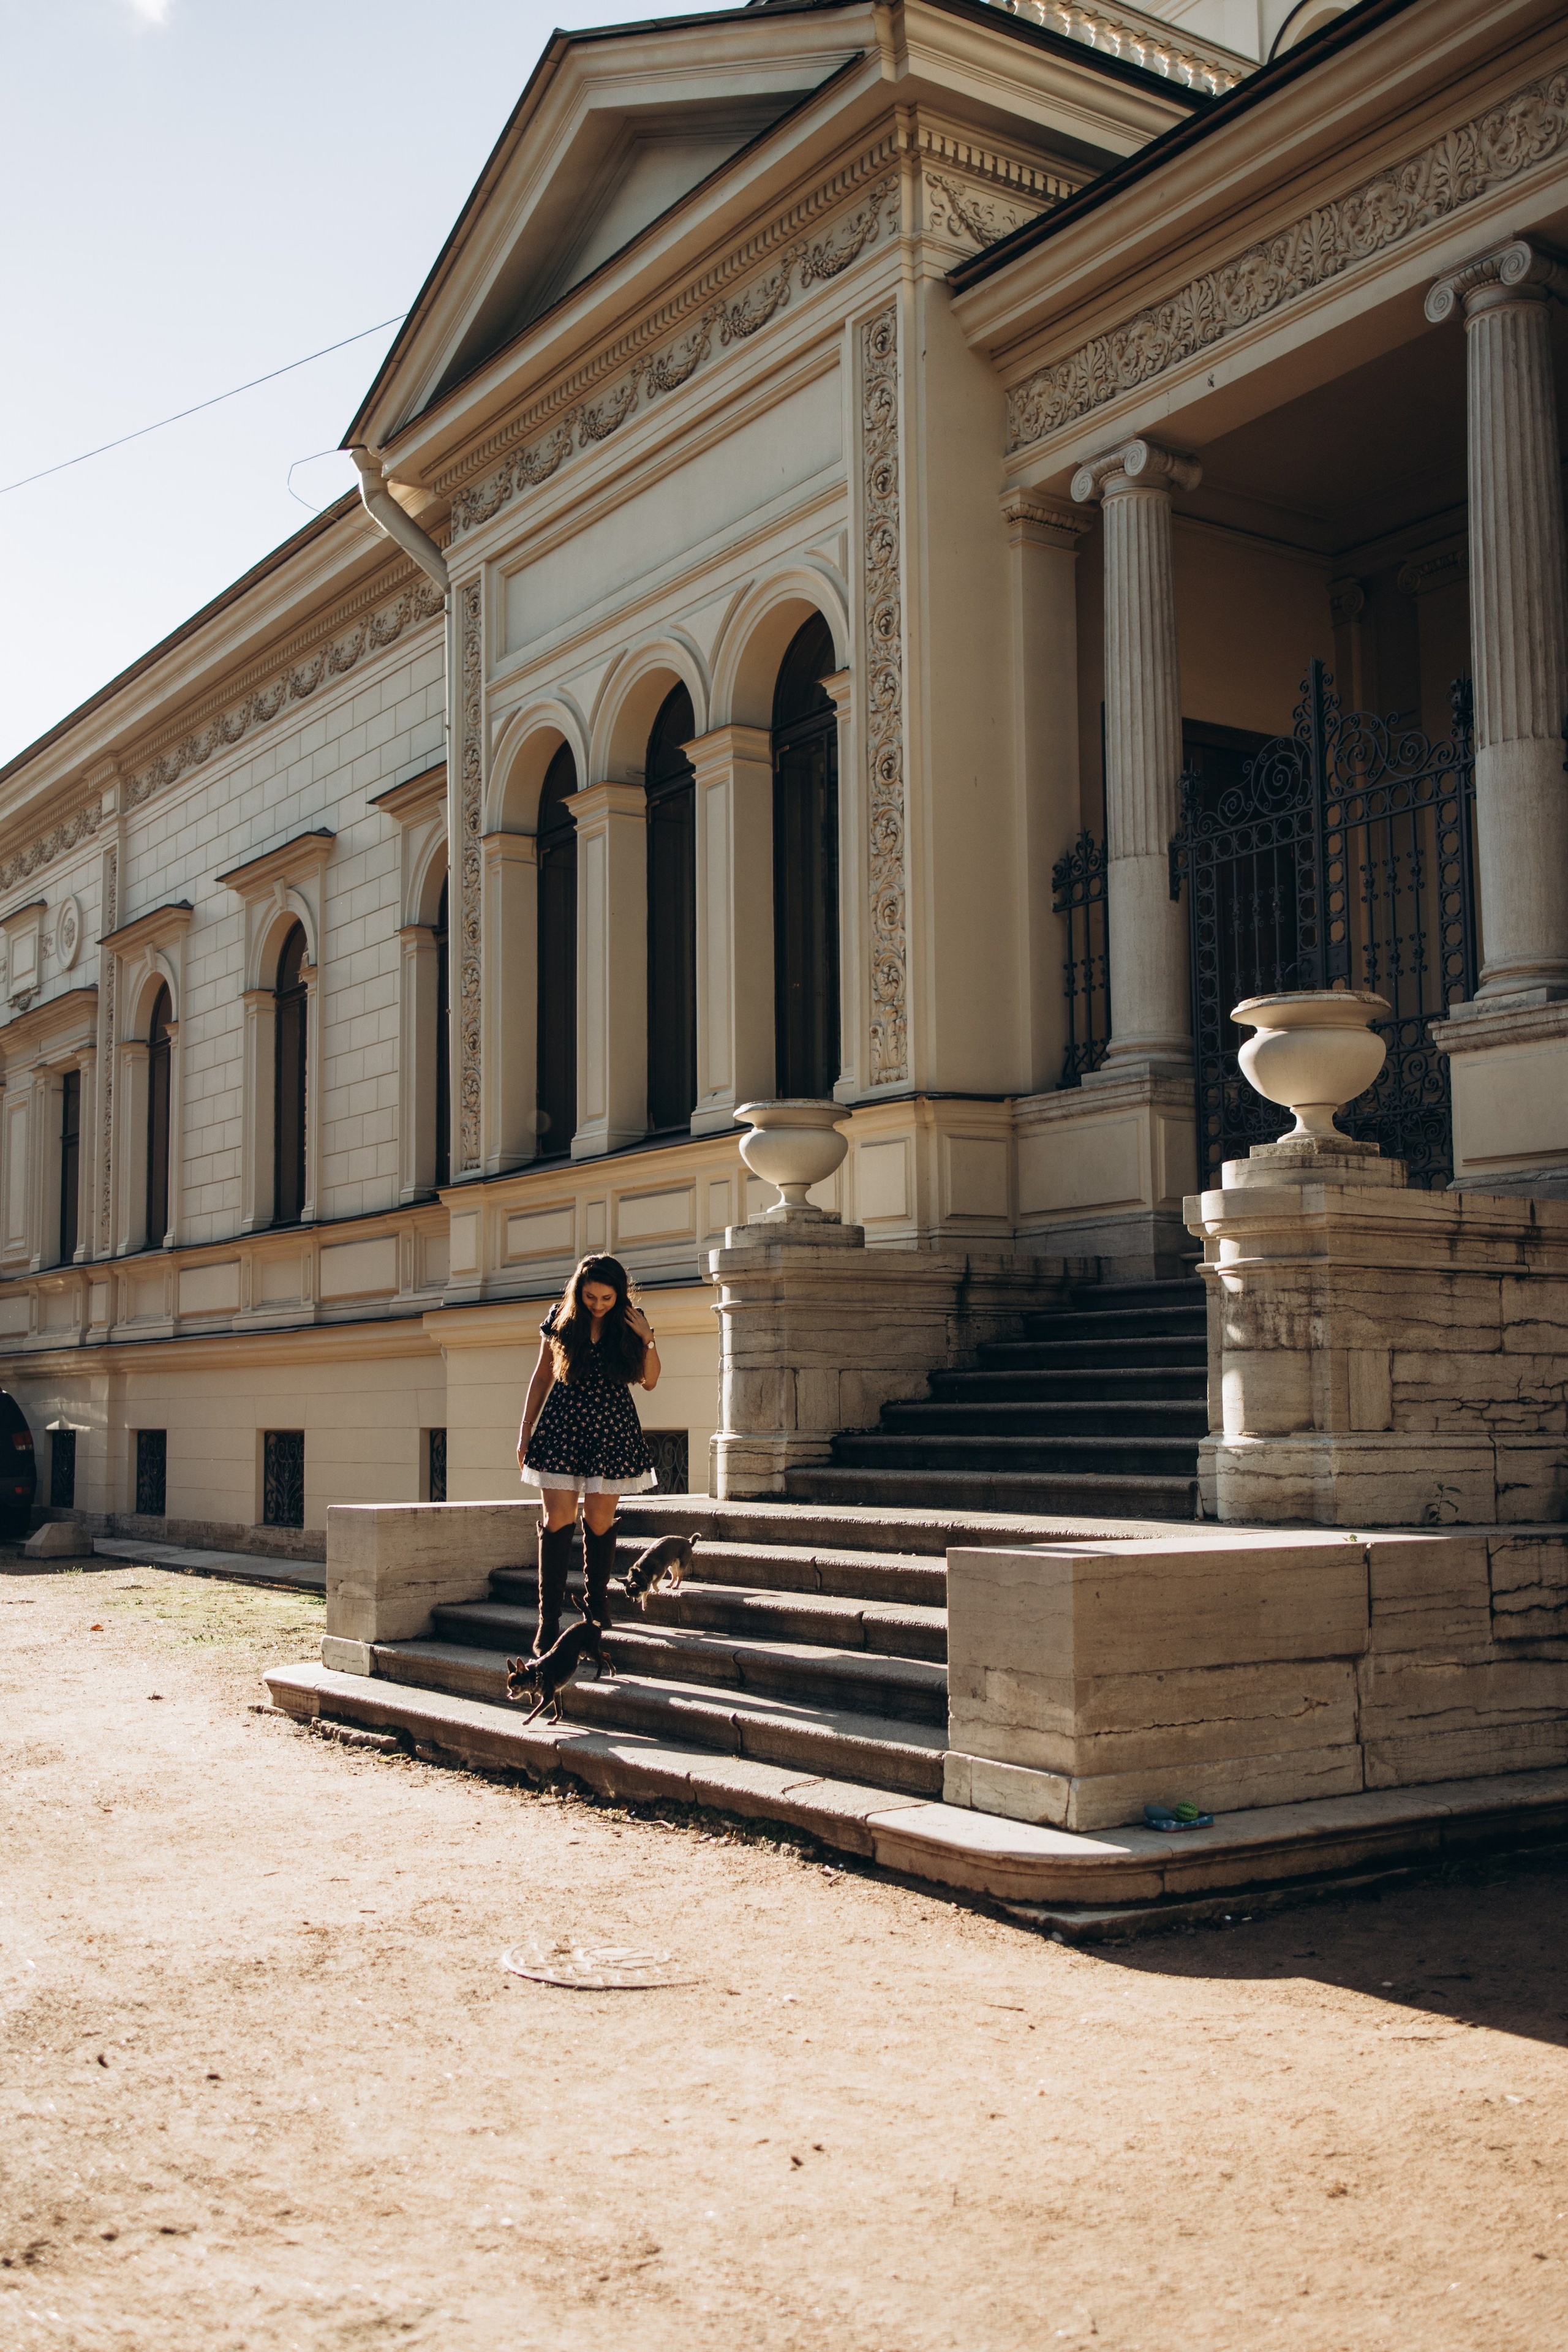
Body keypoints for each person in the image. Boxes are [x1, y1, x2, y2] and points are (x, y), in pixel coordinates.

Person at [516, 1254, 660, 1652]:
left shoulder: (633, 1321)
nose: (598, 1304)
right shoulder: (561, 1317)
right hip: (563, 1425)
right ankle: (548, 1620)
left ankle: (596, 1604)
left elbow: (650, 1382)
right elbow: (543, 1373)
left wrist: (648, 1337)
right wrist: (525, 1430)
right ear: (579, 1290)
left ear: (620, 1294)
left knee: (599, 1521)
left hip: (611, 1430)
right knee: (557, 1520)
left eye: (607, 1298)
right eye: (591, 1296)